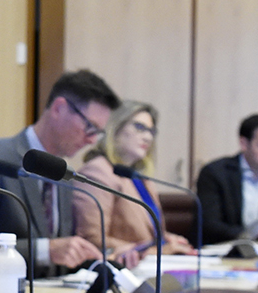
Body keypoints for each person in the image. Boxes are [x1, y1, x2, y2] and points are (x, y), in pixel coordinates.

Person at [0, 69, 118, 284]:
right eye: (89, 127)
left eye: (98, 132)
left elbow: (60, 256)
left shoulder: (62, 172)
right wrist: (45, 250)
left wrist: (100, 261)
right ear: (59, 108)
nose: (92, 140)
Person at [73, 100, 194, 268]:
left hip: (144, 271)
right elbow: (92, 240)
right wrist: (156, 250)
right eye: (139, 127)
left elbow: (145, 235)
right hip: (114, 272)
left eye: (152, 131)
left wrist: (168, 239)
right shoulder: (97, 172)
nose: (148, 137)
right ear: (115, 128)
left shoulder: (139, 178)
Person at [195, 113, 258, 244]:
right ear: (244, 143)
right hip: (221, 248)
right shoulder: (215, 173)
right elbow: (209, 224)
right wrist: (249, 233)